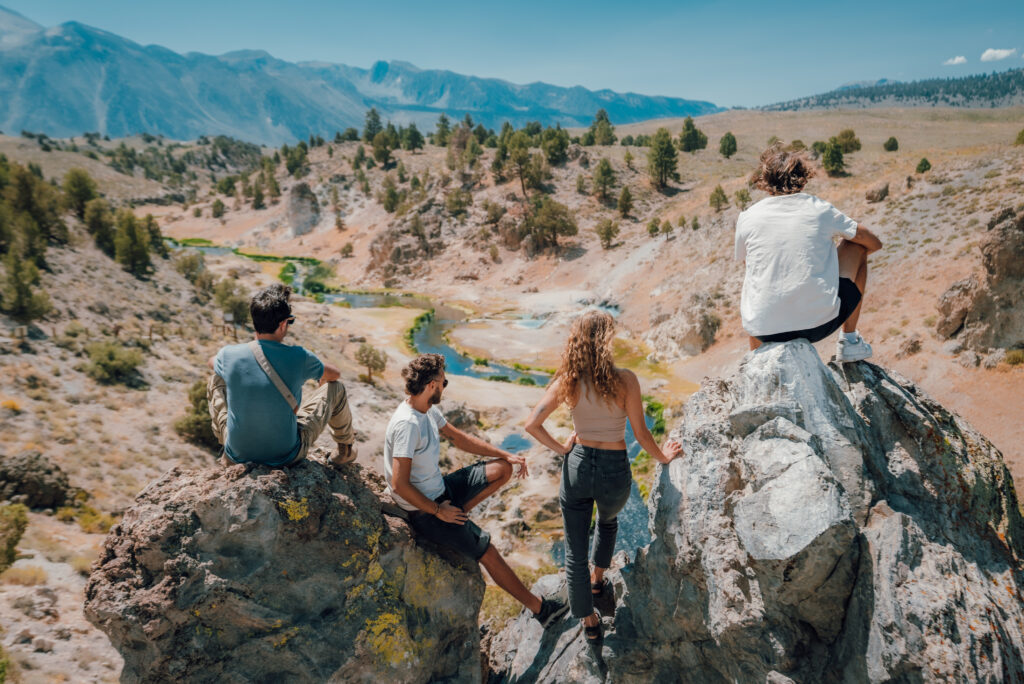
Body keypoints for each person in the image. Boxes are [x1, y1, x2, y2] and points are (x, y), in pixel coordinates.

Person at [524, 310, 683, 646]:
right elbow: (641, 434)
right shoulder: (626, 380)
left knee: (573, 552)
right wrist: (663, 457)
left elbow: (532, 425)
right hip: (614, 468)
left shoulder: (567, 379)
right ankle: (599, 581)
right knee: (608, 522)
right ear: (606, 341)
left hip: (578, 465)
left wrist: (562, 449)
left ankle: (589, 620)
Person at [383, 353, 569, 628]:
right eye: (444, 381)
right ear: (433, 384)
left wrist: (506, 455)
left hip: (441, 489)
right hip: (424, 509)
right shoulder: (407, 424)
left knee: (502, 469)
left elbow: (459, 438)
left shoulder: (427, 410)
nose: (445, 386)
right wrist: (439, 512)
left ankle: (461, 516)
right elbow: (399, 484)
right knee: (488, 552)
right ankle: (542, 610)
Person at [735, 143, 883, 361]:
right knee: (856, 246)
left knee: (756, 278)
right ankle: (850, 341)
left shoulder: (748, 216)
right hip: (817, 325)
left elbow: (750, 267)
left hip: (762, 331)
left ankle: (755, 361)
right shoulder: (818, 208)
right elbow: (870, 241)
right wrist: (829, 262)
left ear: (765, 182)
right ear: (803, 178)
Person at [206, 283, 356, 467]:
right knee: (336, 388)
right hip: (286, 455)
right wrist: (322, 378)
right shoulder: (299, 356)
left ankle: (229, 446)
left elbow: (211, 362)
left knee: (215, 379)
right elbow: (335, 374)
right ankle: (345, 451)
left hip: (238, 454)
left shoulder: (228, 355)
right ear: (283, 324)